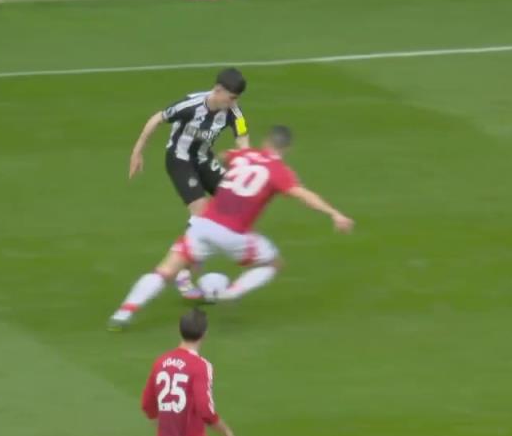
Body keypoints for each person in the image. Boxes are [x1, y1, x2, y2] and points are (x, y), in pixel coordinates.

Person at [109, 125, 354, 329]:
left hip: (203, 225)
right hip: (234, 234)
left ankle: (123, 313)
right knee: (273, 263)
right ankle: (233, 291)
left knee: (165, 270)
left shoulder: (242, 156)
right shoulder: (280, 171)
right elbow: (302, 194)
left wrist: (224, 164)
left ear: (266, 141)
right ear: (287, 148)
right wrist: (334, 213)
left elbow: (225, 155)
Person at [129, 68, 250, 299]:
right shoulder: (191, 105)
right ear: (218, 90)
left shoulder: (234, 113)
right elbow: (157, 118)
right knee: (202, 212)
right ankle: (183, 272)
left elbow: (243, 142)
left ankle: (195, 249)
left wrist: (244, 167)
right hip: (180, 160)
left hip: (204, 160)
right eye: (232, 97)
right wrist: (137, 152)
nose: (234, 103)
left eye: (237, 99)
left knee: (233, 203)